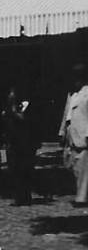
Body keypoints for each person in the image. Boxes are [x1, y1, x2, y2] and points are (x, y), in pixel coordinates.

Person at [3, 86, 38, 206]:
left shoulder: (25, 107)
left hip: (25, 143)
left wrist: (13, 111)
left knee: (24, 169)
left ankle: (25, 195)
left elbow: (26, 121)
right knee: (14, 169)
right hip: (13, 143)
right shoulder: (9, 111)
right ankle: (19, 195)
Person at [61, 63, 88, 207]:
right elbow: (67, 114)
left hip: (84, 134)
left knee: (84, 167)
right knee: (75, 167)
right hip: (72, 134)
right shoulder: (71, 94)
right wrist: (62, 131)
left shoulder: (87, 93)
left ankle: (81, 198)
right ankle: (81, 195)